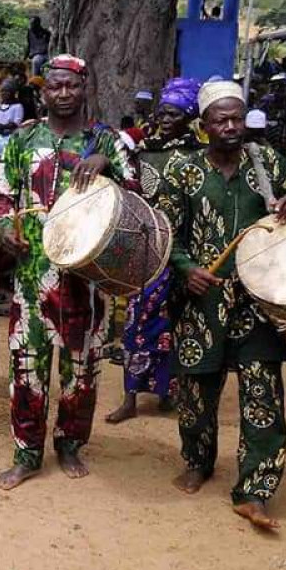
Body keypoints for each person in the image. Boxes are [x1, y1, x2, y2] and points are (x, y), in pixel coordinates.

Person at [157, 79, 286, 531]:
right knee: (196, 393)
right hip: (199, 302)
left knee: (263, 394)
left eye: (237, 118)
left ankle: (255, 490)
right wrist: (187, 269)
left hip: (257, 302)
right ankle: (198, 461)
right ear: (203, 125)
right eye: (220, 120)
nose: (230, 126)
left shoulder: (268, 165)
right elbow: (166, 232)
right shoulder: (182, 171)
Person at [0, 54, 136, 490]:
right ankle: (27, 453)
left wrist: (108, 167)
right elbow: (1, 194)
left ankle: (70, 444)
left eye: (72, 86)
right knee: (27, 367)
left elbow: (135, 197)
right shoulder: (24, 140)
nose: (63, 93)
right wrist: (4, 228)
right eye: (55, 86)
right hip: (33, 277)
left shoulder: (105, 142)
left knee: (82, 370)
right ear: (43, 91)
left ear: (84, 89)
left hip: (86, 280)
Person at [106, 78, 204, 425]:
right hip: (146, 251)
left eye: (173, 114)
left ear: (189, 116)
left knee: (174, 327)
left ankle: (168, 393)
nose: (164, 119)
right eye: (162, 113)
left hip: (184, 252)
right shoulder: (140, 146)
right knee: (136, 325)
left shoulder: (198, 154)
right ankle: (129, 398)